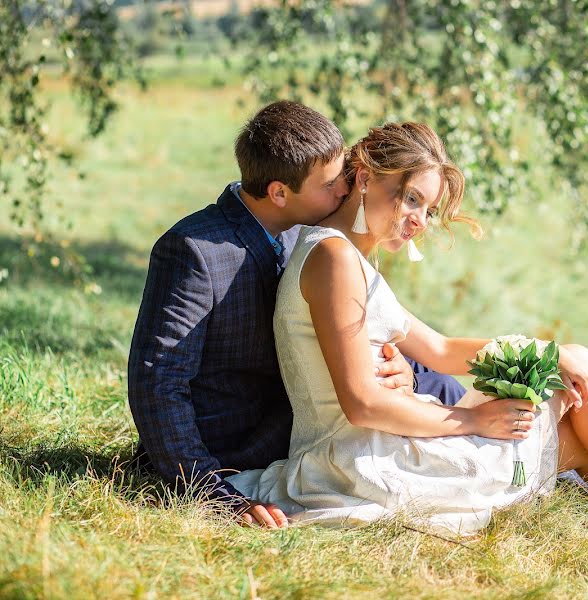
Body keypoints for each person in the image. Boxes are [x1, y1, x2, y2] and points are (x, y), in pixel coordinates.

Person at [225, 122, 588, 537]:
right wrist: (470, 417)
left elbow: (437, 350)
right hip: (361, 463)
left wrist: (543, 350)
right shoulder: (334, 259)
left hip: (373, 450)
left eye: (427, 209)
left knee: (568, 383)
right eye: (410, 198)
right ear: (365, 177)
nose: (417, 220)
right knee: (568, 415)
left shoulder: (346, 258)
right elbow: (363, 404)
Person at [127, 101, 466, 529]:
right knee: (444, 401)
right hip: (240, 450)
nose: (345, 189)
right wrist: (209, 490)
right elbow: (158, 383)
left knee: (430, 376)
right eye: (330, 184)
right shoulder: (196, 251)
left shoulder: (304, 231)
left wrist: (400, 370)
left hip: (308, 414)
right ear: (280, 192)